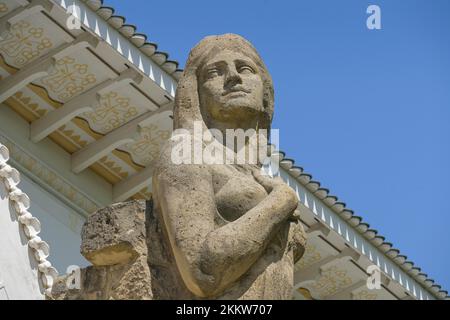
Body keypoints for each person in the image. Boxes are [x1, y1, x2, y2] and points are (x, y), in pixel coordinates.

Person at [151, 34, 305, 299]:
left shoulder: (257, 175)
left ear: (265, 93)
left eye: (245, 68)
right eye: (215, 72)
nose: (234, 77)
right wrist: (280, 202)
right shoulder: (184, 152)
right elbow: (202, 272)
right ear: (196, 93)